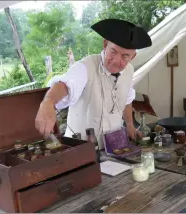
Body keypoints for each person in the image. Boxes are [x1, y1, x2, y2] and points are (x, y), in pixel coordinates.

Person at [35, 18, 152, 149]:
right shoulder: (85, 67)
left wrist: (130, 125)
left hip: (115, 148)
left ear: (133, 57)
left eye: (125, 56)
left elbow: (127, 99)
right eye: (113, 51)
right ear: (105, 44)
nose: (116, 61)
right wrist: (48, 102)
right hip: (80, 149)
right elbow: (65, 84)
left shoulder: (129, 70)